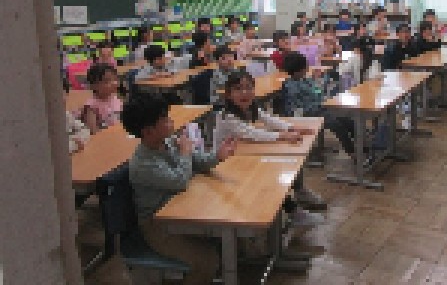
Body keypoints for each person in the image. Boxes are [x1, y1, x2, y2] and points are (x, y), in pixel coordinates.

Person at [124, 92, 237, 285]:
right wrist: (185, 153)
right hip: (158, 227)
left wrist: (217, 156)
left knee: (226, 230)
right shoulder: (142, 164)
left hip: (182, 213)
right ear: (148, 131)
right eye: (164, 119)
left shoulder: (167, 142)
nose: (170, 121)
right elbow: (180, 180)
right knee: (206, 260)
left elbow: (196, 160)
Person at [217, 70, 326, 220]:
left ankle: (299, 192)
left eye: (248, 88)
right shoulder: (226, 116)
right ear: (228, 94)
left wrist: (292, 128)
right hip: (226, 162)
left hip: (244, 153)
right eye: (238, 89)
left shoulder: (251, 108)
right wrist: (282, 135)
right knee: (270, 172)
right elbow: (251, 133)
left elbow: (269, 119)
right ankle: (293, 212)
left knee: (290, 158)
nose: (244, 93)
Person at [282, 52, 356, 159]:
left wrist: (318, 81)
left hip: (319, 110)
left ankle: (361, 146)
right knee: (336, 125)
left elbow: (317, 92)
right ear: (299, 70)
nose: (308, 67)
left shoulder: (305, 80)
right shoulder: (291, 87)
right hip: (307, 114)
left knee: (348, 120)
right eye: (306, 66)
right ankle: (352, 152)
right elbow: (299, 110)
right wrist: (320, 105)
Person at [83, 63, 123, 133]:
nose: (114, 83)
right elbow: (93, 131)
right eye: (107, 81)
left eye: (115, 79)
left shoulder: (116, 99)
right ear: (94, 86)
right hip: (105, 137)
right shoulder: (91, 106)